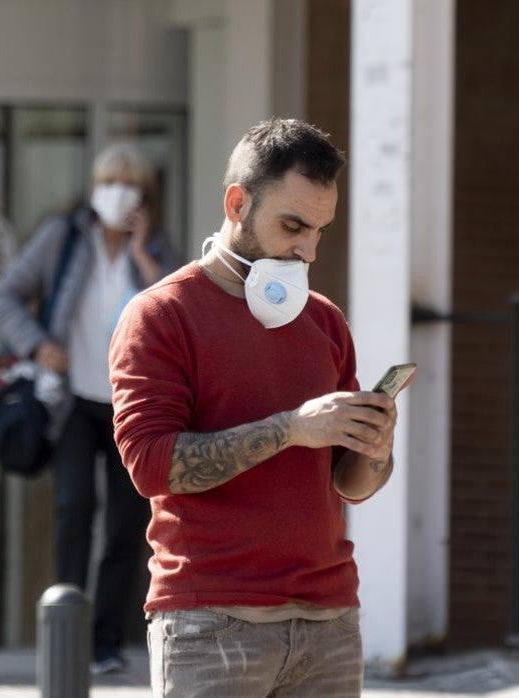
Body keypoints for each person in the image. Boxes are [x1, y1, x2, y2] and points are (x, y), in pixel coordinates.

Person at [109, 119, 398, 696]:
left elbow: (352, 485)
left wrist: (375, 446)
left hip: (328, 621)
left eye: (319, 230)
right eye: (292, 225)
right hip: (211, 622)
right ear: (237, 203)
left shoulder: (324, 320)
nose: (307, 248)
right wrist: (290, 429)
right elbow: (152, 466)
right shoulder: (161, 315)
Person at [0, 142, 179, 674]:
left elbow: (176, 313)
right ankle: (66, 629)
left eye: (128, 182)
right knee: (74, 509)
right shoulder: (63, 238)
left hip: (129, 403)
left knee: (126, 523)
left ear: (144, 195)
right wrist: (36, 344)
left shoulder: (160, 250)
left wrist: (143, 252)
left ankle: (106, 642)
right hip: (72, 399)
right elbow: (5, 296)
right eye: (107, 181)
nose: (116, 192)